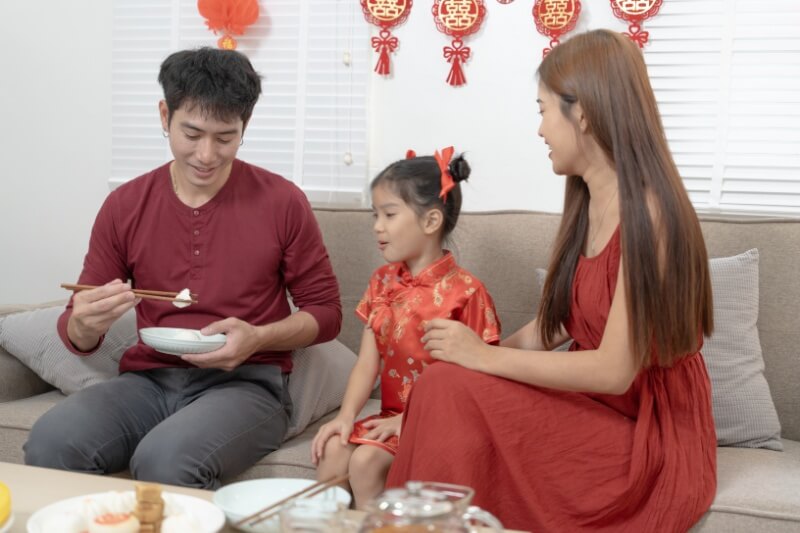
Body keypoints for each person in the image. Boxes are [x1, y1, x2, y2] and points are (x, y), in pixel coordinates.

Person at [386, 29, 717, 532]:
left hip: (648, 437)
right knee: (446, 382)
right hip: (599, 412)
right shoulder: (590, 202)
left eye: (542, 110)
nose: (539, 128)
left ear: (581, 113)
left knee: (454, 386)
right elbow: (554, 327)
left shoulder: (651, 216)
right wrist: (474, 357)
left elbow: (614, 371)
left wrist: (486, 357)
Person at [24, 47, 342, 489]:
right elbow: (79, 336)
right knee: (52, 441)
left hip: (246, 384)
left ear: (244, 127)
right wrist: (82, 323)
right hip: (148, 380)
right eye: (191, 134)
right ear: (164, 115)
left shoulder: (283, 201)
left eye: (225, 137)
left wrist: (258, 338)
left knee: (166, 461)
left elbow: (326, 313)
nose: (207, 154)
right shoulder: (125, 205)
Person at [310, 148, 501, 509]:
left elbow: (480, 380)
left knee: (365, 463)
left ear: (430, 221)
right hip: (388, 418)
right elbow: (367, 364)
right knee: (334, 450)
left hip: (439, 421)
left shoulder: (466, 292)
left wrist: (408, 421)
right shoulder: (381, 281)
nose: (377, 226)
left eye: (389, 214)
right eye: (375, 214)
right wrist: (346, 417)